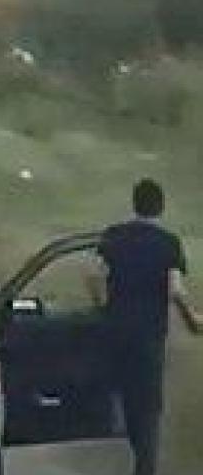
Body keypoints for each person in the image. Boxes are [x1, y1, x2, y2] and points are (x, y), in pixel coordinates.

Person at [97, 178, 202, 475]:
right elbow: (174, 289)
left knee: (123, 397)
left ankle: (127, 443)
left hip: (115, 331)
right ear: (161, 207)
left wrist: (103, 308)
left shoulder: (113, 236)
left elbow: (94, 276)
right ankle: (145, 467)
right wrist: (192, 319)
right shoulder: (168, 243)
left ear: (134, 203)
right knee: (148, 408)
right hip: (149, 337)